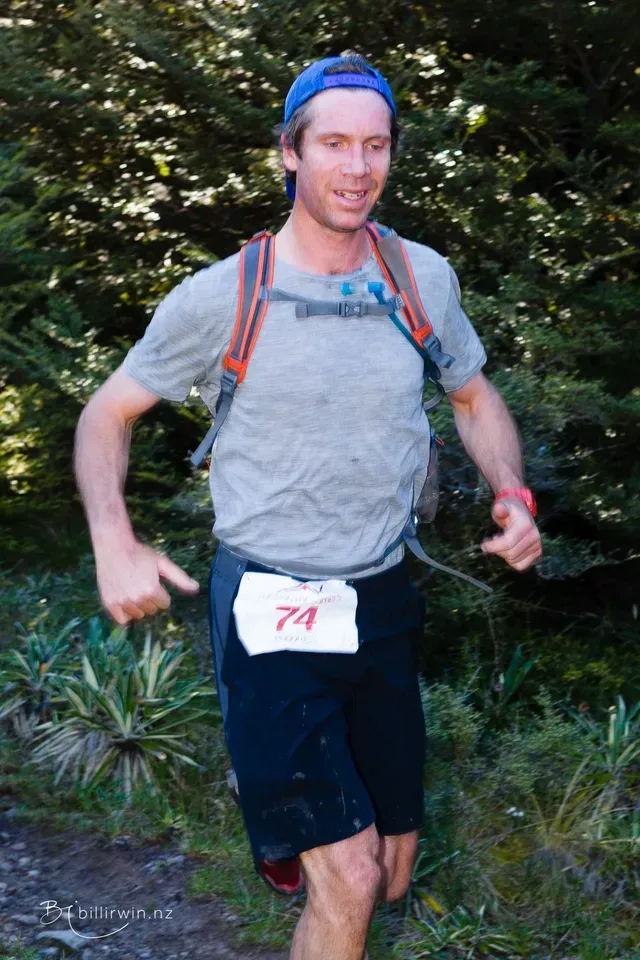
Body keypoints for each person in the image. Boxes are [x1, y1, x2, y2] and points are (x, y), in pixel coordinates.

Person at [75, 54, 542, 960]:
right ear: (288, 154)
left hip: (382, 598)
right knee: (354, 875)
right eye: (333, 143)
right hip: (269, 610)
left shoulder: (420, 278)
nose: (357, 167)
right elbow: (107, 413)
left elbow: (476, 399)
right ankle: (304, 821)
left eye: (375, 146)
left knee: (394, 866)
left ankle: (305, 826)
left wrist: (512, 496)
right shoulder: (227, 295)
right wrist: (111, 537)